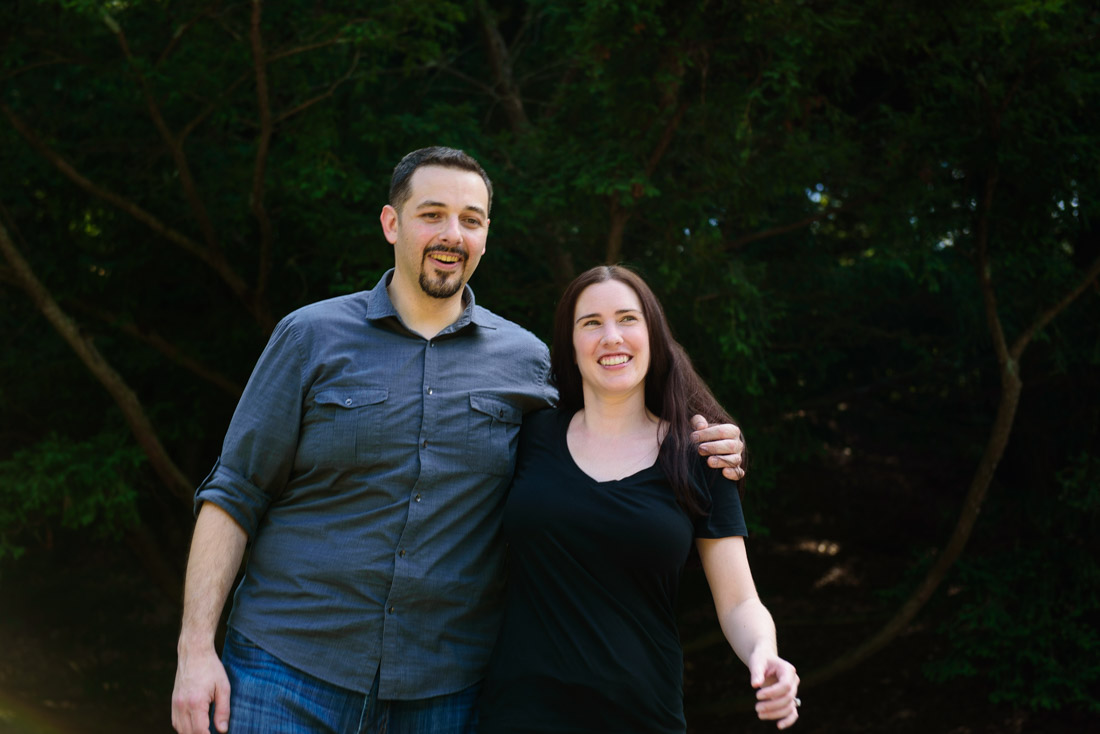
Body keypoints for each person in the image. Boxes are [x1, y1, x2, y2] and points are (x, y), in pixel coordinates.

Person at [170, 147, 747, 734]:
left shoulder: (528, 364)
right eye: (432, 214)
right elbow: (234, 493)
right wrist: (195, 649)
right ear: (392, 224)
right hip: (287, 669)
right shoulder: (309, 337)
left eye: (470, 219)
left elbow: (613, 416)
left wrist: (705, 433)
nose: (452, 234)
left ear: (486, 236)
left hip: (443, 692)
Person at [478, 265, 800, 733]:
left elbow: (738, 602)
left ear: (654, 335)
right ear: (570, 344)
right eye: (591, 323)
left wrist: (764, 654)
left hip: (641, 716)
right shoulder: (529, 436)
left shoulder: (700, 457)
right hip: (519, 715)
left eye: (628, 319)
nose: (611, 336)